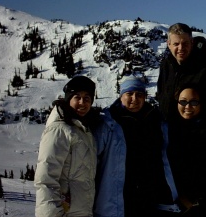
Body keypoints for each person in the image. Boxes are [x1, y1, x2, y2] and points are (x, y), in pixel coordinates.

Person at [92, 75, 173, 217]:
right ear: (121, 96)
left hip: (150, 195)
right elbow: (93, 161)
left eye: (139, 94)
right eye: (129, 94)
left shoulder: (156, 121)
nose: (134, 99)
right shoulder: (108, 123)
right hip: (119, 195)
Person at [35, 75, 98, 217]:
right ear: (69, 98)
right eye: (77, 97)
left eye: (87, 98)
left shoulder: (83, 130)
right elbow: (46, 179)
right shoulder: (59, 129)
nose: (82, 102)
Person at [167, 84, 206, 216]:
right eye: (183, 101)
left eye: (194, 102)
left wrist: (196, 200)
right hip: (174, 203)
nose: (188, 106)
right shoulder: (168, 130)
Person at [157, 23, 206, 123]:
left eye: (185, 43)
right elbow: (161, 93)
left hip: (194, 133)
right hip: (168, 128)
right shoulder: (166, 65)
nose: (181, 48)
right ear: (169, 44)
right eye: (176, 44)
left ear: (192, 42)